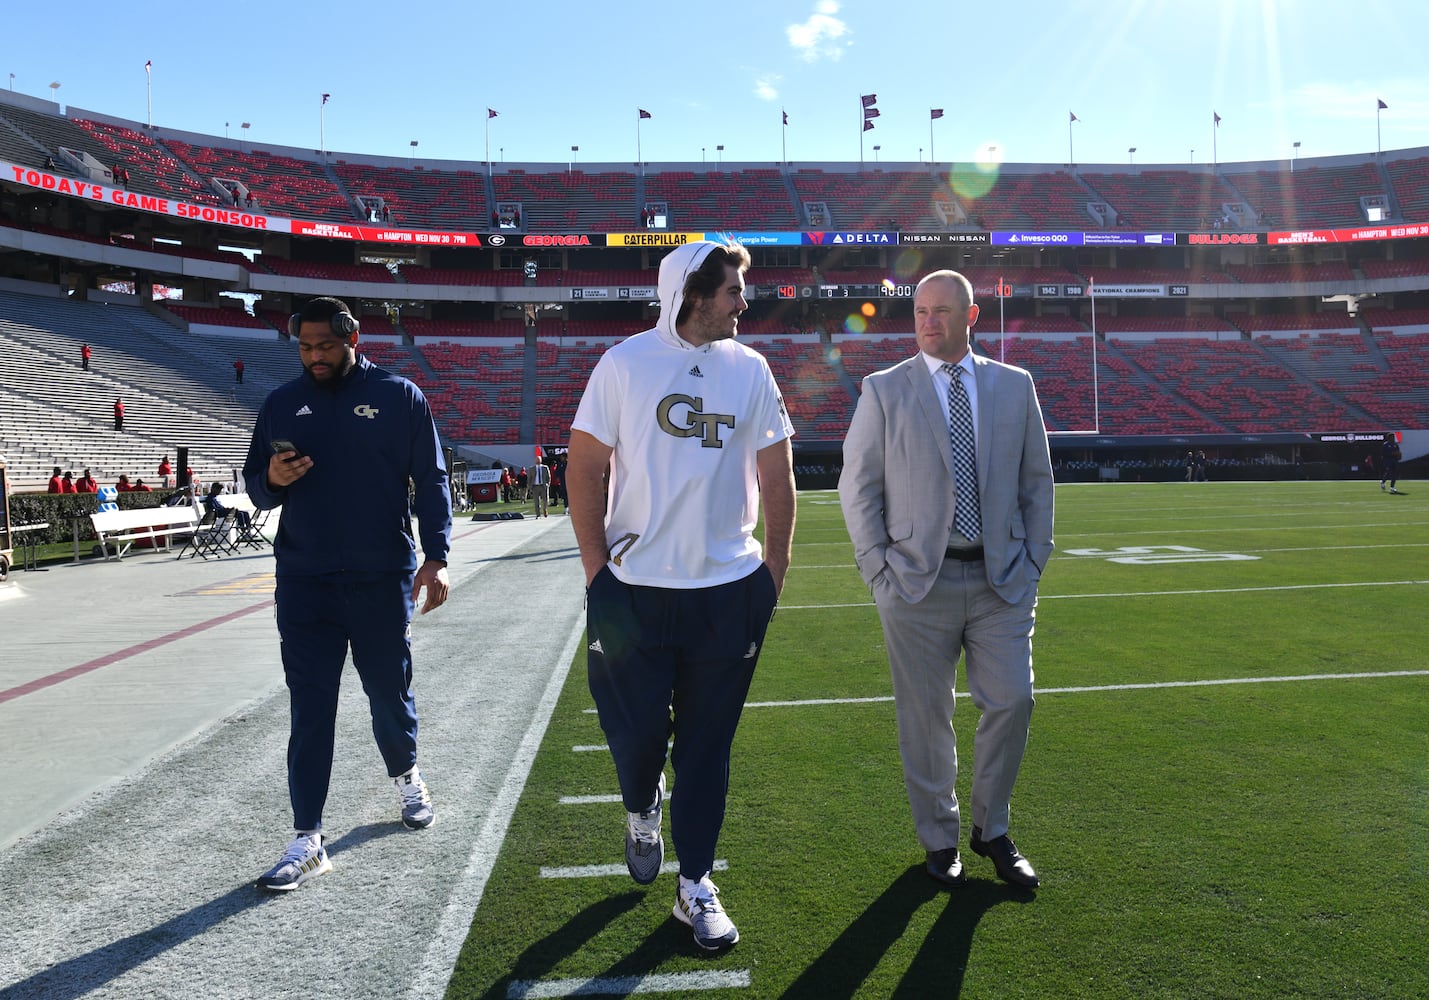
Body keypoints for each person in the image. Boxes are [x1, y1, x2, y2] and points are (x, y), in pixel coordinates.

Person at [567, 239, 795, 951]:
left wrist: (773, 573)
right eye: (731, 289)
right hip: (633, 592)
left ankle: (695, 882)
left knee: (706, 748)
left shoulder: (751, 368)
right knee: (636, 742)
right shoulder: (623, 363)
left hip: (728, 592)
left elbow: (779, 473)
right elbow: (583, 471)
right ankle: (641, 805)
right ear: (691, 294)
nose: (742, 301)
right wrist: (595, 572)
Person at [839, 269, 1054, 891]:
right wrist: (876, 566)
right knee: (925, 719)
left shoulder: (1015, 386)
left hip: (1001, 580)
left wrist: (1035, 555)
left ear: (971, 316)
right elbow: (858, 487)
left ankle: (991, 828)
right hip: (913, 584)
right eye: (920, 311)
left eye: (941, 311)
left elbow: (1036, 479)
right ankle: (940, 838)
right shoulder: (884, 389)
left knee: (1013, 700)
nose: (928, 321)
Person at [243, 296, 452, 893]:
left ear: (352, 336)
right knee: (310, 709)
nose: (314, 357)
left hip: (380, 576)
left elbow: (432, 480)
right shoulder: (282, 402)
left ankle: (407, 773)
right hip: (305, 580)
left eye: (325, 346)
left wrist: (436, 557)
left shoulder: (399, 396)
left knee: (388, 691)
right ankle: (307, 836)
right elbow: (255, 487)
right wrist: (272, 479)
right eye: (305, 347)